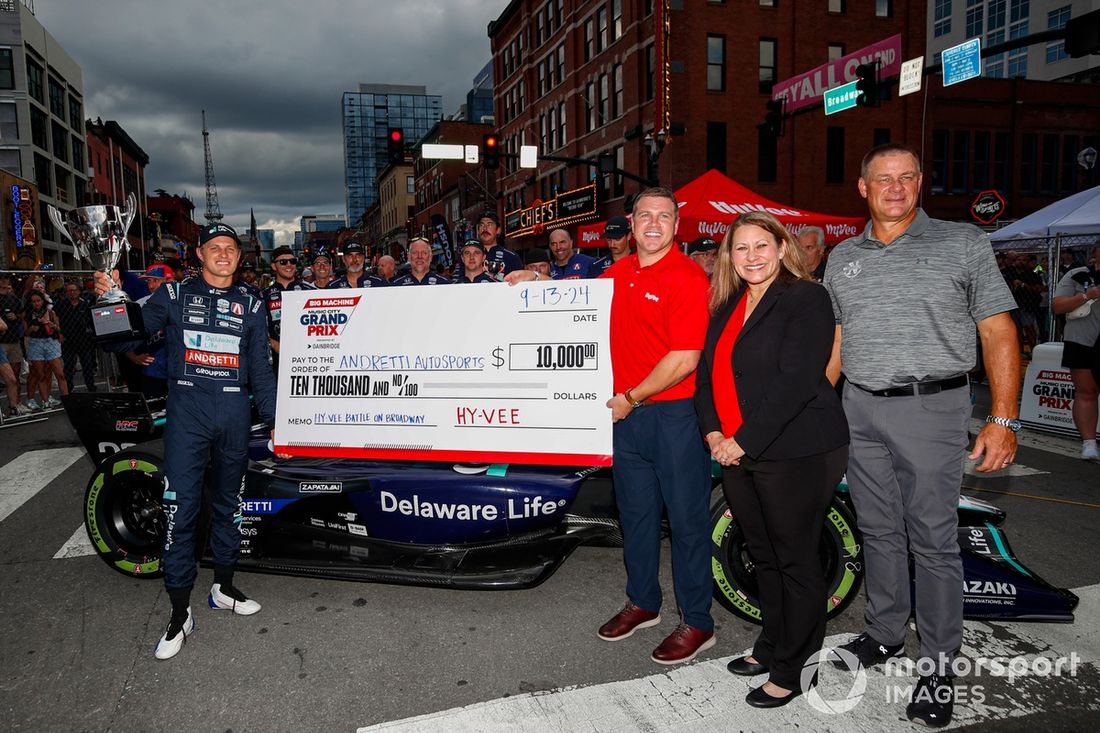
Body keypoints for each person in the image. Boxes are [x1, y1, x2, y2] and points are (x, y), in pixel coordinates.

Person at [824, 143, 1020, 727]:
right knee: (878, 530)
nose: (894, 188)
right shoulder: (842, 256)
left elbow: (998, 330)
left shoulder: (962, 242)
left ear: (919, 183)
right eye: (882, 179)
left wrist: (1003, 417)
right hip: (858, 407)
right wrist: (814, 410)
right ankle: (885, 634)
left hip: (932, 408)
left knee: (932, 542)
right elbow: (836, 342)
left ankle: (939, 667)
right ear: (862, 187)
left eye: (905, 177)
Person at [506, 189, 715, 663]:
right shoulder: (616, 274)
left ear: (677, 225)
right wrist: (529, 280)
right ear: (632, 223)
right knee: (636, 519)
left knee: (685, 523)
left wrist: (631, 398)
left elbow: (685, 358)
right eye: (646, 216)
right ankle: (644, 602)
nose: (654, 224)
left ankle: (699, 621)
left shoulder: (686, 276)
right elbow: (570, 301)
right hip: (627, 418)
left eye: (664, 216)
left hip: (672, 416)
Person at [95, 222, 277, 661]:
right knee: (181, 509)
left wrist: (274, 420)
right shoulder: (174, 295)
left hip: (236, 414)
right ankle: (180, 613)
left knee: (230, 503)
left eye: (230, 248)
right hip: (188, 415)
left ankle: (224, 587)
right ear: (199, 254)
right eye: (214, 247)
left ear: (238, 256)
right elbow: (128, 333)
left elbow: (260, 367)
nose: (222, 254)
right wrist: (108, 301)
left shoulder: (252, 301)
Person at [694, 211, 848, 708]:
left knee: (795, 558)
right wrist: (715, 432)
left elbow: (800, 380)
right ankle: (771, 645)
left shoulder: (806, 298)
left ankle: (795, 665)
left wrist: (742, 440)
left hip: (797, 448)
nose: (752, 256)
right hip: (737, 450)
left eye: (762, 245)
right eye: (741, 248)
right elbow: (706, 379)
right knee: (763, 556)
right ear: (729, 257)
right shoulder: (729, 304)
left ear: (783, 248)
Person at [1052, 245, 1100, 461]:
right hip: (1081, 340)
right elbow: (1057, 306)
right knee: (1086, 392)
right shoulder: (1077, 274)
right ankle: (1089, 443)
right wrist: (1087, 295)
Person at [125, 265, 175, 399]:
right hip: (153, 371)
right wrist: (133, 356)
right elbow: (125, 336)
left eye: (156, 280)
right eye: (148, 281)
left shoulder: (183, 302)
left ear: (169, 281)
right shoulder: (140, 305)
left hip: (179, 371)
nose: (151, 285)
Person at [264, 245, 315, 376]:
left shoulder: (310, 292)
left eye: (292, 261)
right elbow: (256, 329)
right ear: (274, 266)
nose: (289, 265)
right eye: (283, 262)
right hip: (277, 361)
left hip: (308, 359)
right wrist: (274, 344)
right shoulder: (264, 295)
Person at [22, 289, 67, 410]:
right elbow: (26, 332)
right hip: (35, 343)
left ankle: (67, 399)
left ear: (43, 301)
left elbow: (58, 328)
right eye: (33, 301)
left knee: (59, 373)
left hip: (51, 342)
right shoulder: (27, 314)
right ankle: (45, 401)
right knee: (40, 374)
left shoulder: (50, 312)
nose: (36, 303)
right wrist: (32, 328)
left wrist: (52, 325)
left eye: (38, 300)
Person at [53, 281, 97, 392]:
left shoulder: (85, 304)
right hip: (67, 339)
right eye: (69, 290)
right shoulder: (61, 305)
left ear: (79, 291)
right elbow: (54, 316)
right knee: (68, 365)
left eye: (74, 290)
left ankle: (91, 386)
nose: (72, 292)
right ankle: (69, 388)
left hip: (84, 339)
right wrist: (59, 333)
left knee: (87, 365)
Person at [469, 210, 521, 280]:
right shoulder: (468, 256)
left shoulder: (511, 257)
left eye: (489, 224)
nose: (485, 228)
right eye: (481, 225)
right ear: (478, 231)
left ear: (498, 230)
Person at [0, 276, 26, 399]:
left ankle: (17, 403)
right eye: (1, 287)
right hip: (1, 342)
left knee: (15, 375)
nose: (4, 289)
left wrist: (16, 317)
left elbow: (22, 314)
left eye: (6, 287)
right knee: (5, 376)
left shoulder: (13, 298)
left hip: (14, 340)